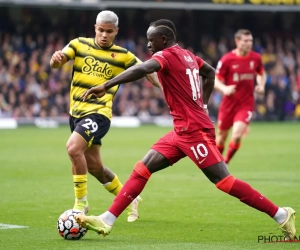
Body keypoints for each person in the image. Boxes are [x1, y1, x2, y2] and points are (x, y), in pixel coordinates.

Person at [75, 19, 296, 240]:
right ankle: (107, 219)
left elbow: (143, 68)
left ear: (163, 39)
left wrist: (106, 84)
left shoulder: (166, 56)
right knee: (142, 169)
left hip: (194, 131)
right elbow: (209, 73)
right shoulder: (189, 55)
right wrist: (204, 105)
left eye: (151, 41)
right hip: (181, 130)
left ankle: (281, 214)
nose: (148, 46)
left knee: (224, 181)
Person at [50, 10, 160, 222]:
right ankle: (130, 198)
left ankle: (80, 206)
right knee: (95, 168)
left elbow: (148, 70)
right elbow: (58, 62)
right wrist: (56, 59)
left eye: (109, 32)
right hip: (76, 114)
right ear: (95, 28)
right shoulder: (79, 44)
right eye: (101, 30)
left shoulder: (123, 55)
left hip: (99, 114)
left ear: (116, 32)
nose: (104, 35)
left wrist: (164, 88)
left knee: (73, 148)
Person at [214, 29, 267, 164]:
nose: (249, 43)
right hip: (228, 104)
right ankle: (215, 165)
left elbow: (261, 73)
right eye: (246, 41)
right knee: (221, 138)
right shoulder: (227, 59)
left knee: (236, 135)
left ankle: (225, 163)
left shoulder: (256, 58)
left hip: (246, 104)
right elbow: (216, 80)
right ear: (237, 41)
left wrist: (261, 85)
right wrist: (224, 88)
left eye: (251, 41)